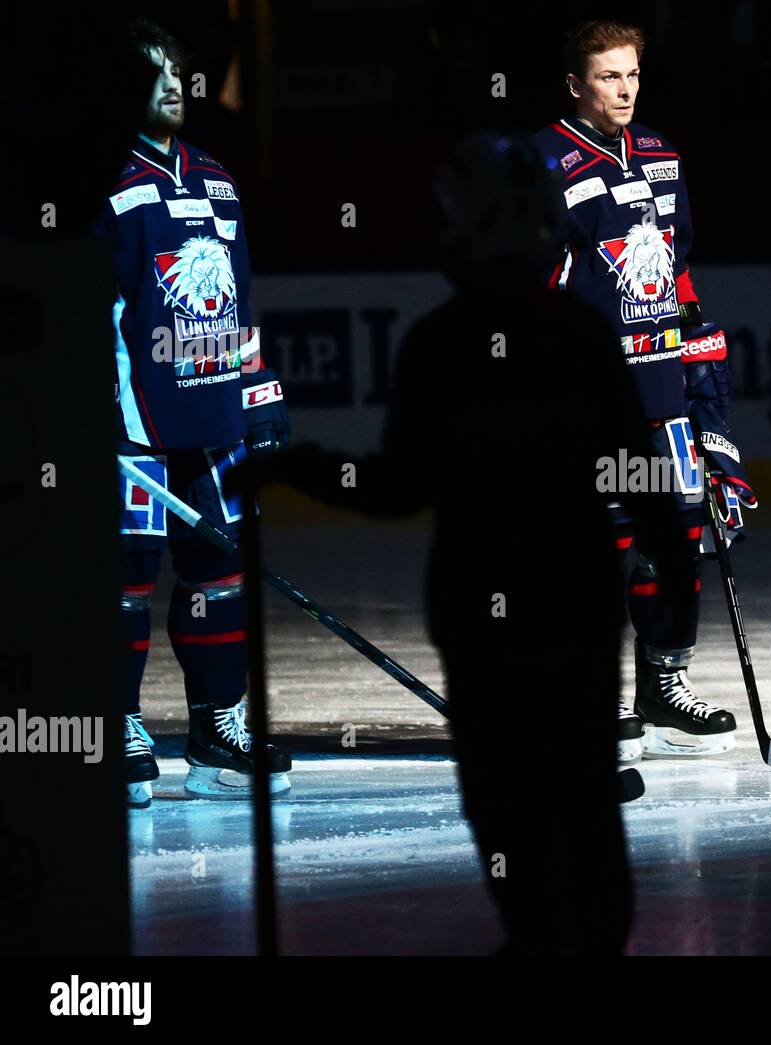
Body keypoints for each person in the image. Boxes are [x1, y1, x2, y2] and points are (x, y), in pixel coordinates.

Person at [238, 133, 692, 954]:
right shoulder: (582, 336)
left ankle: (539, 941)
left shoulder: (444, 345)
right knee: (584, 815)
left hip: (493, 628)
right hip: (574, 620)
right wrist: (678, 580)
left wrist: (295, 465)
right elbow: (644, 480)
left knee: (509, 812)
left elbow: (394, 487)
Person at [532, 20, 757, 764]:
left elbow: (679, 267)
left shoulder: (661, 154)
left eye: (632, 75)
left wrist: (703, 368)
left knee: (677, 533)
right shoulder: (545, 162)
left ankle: (665, 685)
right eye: (608, 77)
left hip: (660, 385)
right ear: (575, 85)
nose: (625, 89)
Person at [96, 19, 291, 807]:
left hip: (214, 425)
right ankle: (119, 722)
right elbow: (92, 312)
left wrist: (258, 395)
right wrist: (96, 417)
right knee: (126, 575)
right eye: (156, 73)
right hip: (136, 428)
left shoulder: (216, 177)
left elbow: (240, 303)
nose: (176, 84)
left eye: (180, 71)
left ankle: (217, 729)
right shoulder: (103, 182)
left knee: (218, 572)